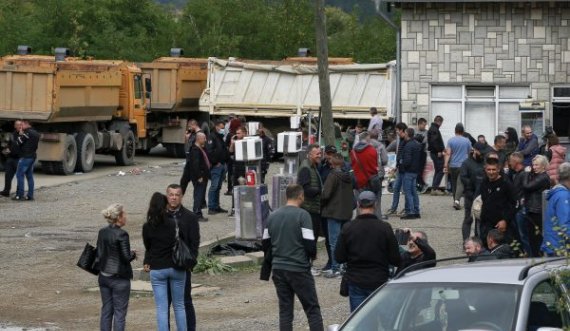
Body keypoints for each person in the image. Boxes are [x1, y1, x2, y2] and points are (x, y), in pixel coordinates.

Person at [261, 184, 324, 331]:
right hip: (299, 269)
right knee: (312, 309)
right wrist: (312, 256)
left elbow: (265, 243)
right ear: (301, 196)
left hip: (278, 269)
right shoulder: (303, 215)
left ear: (286, 196)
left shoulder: (273, 216)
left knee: (285, 311)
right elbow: (309, 244)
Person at [143, 185, 200, 331]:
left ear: (181, 197)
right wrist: (147, 260)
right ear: (166, 196)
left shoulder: (190, 217)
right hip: (169, 266)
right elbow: (151, 246)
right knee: (169, 305)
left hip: (181, 264)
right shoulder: (160, 218)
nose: (174, 197)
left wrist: (190, 262)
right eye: (171, 194)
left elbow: (194, 243)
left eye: (177, 195)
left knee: (184, 302)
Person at [335, 191, 401, 312]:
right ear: (375, 205)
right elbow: (395, 258)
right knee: (383, 320)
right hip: (379, 279)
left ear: (358, 205)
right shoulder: (384, 228)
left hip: (356, 280)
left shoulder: (348, 228)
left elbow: (339, 257)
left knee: (360, 319)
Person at [96, 203, 137, 331]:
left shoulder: (102, 232)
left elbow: (100, 252)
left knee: (106, 312)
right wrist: (133, 254)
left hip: (103, 276)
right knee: (119, 313)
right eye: (124, 214)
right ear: (119, 217)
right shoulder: (122, 234)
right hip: (119, 279)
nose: (126, 216)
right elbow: (126, 257)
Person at [321, 153, 353, 278]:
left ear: (331, 163)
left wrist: (322, 203)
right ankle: (344, 266)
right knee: (345, 241)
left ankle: (335, 268)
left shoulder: (332, 175)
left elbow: (326, 194)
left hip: (334, 211)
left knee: (334, 242)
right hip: (346, 212)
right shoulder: (348, 176)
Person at [297, 144, 326, 275]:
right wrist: (321, 191)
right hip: (309, 209)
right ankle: (307, 266)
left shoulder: (313, 166)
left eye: (320, 153)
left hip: (313, 208)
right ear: (309, 154)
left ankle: (309, 265)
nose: (320, 155)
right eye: (317, 154)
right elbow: (305, 189)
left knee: (312, 238)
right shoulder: (305, 168)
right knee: (309, 239)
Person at [479, 158, 516, 248]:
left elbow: (514, 204)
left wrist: (505, 220)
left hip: (500, 225)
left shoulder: (506, 184)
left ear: (498, 169)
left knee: (501, 249)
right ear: (485, 170)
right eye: (489, 169)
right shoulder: (484, 183)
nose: (491, 172)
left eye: (493, 169)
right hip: (486, 224)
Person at [521, 155, 551, 257]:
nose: (534, 167)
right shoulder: (538, 176)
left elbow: (527, 186)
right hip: (532, 210)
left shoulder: (543, 177)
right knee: (532, 238)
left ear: (543, 166)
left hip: (537, 211)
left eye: (537, 165)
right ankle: (535, 256)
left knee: (536, 238)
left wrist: (526, 173)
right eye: (533, 164)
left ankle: (538, 257)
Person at [541, 162, 570, 256]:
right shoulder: (563, 196)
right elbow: (565, 225)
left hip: (554, 245)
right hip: (560, 248)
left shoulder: (558, 194)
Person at [460, 142, 487, 240]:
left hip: (482, 196)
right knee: (468, 219)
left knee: (480, 219)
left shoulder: (485, 162)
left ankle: (478, 240)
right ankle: (466, 241)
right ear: (474, 150)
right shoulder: (466, 163)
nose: (482, 154)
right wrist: (474, 184)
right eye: (480, 152)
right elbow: (463, 178)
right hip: (470, 195)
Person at [181, 132, 210, 222]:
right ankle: (197, 213)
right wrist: (199, 176)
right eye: (204, 138)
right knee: (198, 194)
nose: (205, 140)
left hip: (201, 175)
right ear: (199, 139)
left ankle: (197, 211)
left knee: (199, 194)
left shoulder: (200, 148)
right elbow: (195, 165)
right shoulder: (195, 150)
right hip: (199, 176)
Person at [444, 123, 472, 210]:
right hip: (463, 165)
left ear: (455, 130)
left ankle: (455, 201)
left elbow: (448, 153)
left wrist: (445, 164)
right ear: (463, 131)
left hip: (453, 165)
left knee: (454, 183)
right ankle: (457, 201)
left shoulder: (451, 140)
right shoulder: (467, 141)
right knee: (461, 183)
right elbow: (469, 153)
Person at [508, 152, 531, 255]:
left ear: (515, 162)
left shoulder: (524, 174)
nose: (509, 163)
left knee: (524, 236)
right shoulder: (516, 174)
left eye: (510, 161)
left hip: (521, 209)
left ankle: (530, 257)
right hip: (517, 209)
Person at [206, 120, 229, 215]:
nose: (223, 129)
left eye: (224, 127)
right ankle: (211, 207)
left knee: (218, 187)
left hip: (222, 165)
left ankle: (216, 206)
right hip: (216, 166)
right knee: (214, 186)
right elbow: (209, 152)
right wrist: (215, 163)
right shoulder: (212, 137)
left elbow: (223, 150)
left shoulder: (220, 137)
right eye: (221, 127)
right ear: (216, 127)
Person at [385, 122, 408, 216]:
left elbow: (405, 155)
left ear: (401, 130)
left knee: (406, 190)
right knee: (396, 188)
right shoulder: (400, 140)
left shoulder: (406, 140)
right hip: (400, 169)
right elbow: (400, 154)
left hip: (405, 170)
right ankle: (393, 208)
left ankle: (407, 208)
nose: (397, 132)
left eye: (397, 130)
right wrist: (396, 166)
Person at [400, 128, 422, 219]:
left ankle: (410, 212)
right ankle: (416, 211)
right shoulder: (417, 144)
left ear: (408, 134)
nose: (404, 134)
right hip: (415, 171)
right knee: (414, 192)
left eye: (405, 133)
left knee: (408, 192)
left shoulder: (408, 145)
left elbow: (407, 160)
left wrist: (402, 164)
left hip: (408, 171)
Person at [228, 126, 248, 216]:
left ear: (244, 133)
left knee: (244, 188)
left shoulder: (248, 142)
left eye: (239, 133)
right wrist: (232, 143)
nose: (237, 135)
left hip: (244, 168)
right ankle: (234, 208)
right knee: (235, 188)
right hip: (236, 167)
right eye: (236, 133)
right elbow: (230, 151)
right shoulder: (236, 142)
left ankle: (244, 207)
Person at [1, 120, 22, 197]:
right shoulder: (13, 134)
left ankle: (19, 192)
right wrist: (6, 149)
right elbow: (9, 144)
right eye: (17, 125)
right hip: (10, 158)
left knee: (19, 176)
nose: (18, 126)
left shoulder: (24, 135)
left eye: (20, 125)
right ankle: (6, 191)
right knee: (8, 175)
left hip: (19, 159)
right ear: (14, 126)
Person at [427, 115, 445, 194]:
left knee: (438, 170)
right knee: (441, 170)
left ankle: (434, 188)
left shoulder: (433, 128)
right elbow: (434, 141)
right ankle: (435, 188)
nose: (441, 125)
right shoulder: (434, 129)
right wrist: (439, 151)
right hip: (436, 153)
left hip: (434, 152)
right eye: (441, 123)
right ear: (439, 122)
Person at [415, 118, 429, 192]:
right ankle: (421, 184)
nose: (425, 126)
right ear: (419, 124)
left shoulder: (427, 132)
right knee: (416, 170)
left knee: (421, 170)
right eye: (424, 125)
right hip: (415, 154)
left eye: (425, 125)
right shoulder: (414, 131)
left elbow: (424, 141)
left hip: (423, 153)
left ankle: (421, 184)